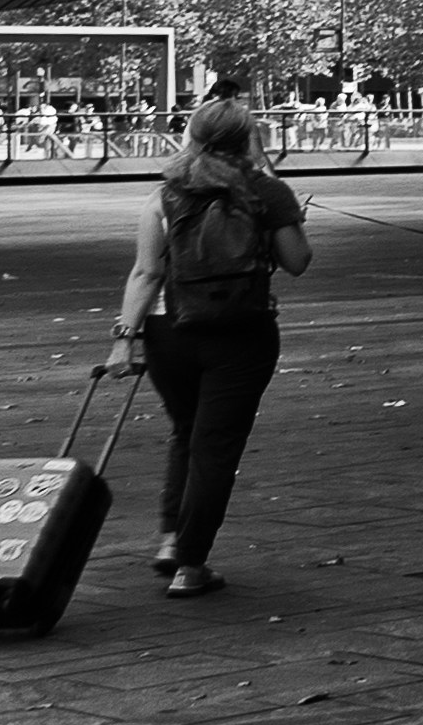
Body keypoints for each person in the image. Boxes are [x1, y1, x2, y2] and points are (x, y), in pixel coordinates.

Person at [114, 96, 310, 596]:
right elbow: (297, 262)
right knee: (215, 448)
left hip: (169, 333)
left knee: (184, 433)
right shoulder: (268, 192)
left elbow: (146, 272)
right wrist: (285, 214)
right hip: (243, 333)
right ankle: (190, 565)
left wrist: (123, 341)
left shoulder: (166, 194)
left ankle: (169, 540)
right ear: (248, 138)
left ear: (194, 137)